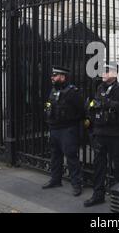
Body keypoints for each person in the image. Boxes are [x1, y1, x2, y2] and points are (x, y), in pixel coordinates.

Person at [84, 63, 119, 207]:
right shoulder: (100, 88)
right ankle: (98, 194)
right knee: (99, 165)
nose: (102, 74)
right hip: (100, 133)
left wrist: (112, 104)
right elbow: (94, 106)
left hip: (116, 135)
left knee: (118, 166)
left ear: (114, 73)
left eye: (106, 71)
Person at [42, 66, 85, 197]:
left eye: (55, 75)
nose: (52, 77)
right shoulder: (53, 90)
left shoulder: (72, 92)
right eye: (52, 75)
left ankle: (76, 184)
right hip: (54, 128)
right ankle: (56, 180)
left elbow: (82, 110)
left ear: (63, 77)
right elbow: (49, 106)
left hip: (68, 129)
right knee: (55, 156)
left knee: (71, 157)